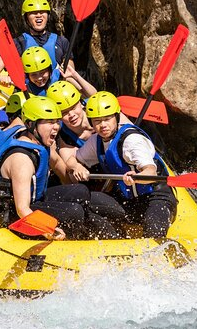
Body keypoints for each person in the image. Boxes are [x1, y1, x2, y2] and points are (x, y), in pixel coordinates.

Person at [0, 96, 120, 240]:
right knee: (74, 212)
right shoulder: (21, 160)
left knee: (81, 191)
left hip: (36, 199)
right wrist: (48, 231)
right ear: (31, 124)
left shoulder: (37, 141)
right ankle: (78, 242)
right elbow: (22, 209)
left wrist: (72, 190)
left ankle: (106, 233)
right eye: (49, 122)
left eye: (56, 122)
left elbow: (57, 163)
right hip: (15, 215)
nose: (56, 127)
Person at [65, 91, 178, 238]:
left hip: (156, 197)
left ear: (116, 117)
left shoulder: (132, 141)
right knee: (83, 199)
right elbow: (71, 161)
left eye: (107, 119)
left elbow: (150, 171)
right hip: (130, 201)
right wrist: (77, 166)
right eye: (97, 121)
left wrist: (137, 177)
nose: (103, 125)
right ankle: (113, 237)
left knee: (154, 234)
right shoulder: (96, 141)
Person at [0, 0, 74, 82]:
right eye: (33, 13)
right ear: (26, 19)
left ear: (48, 16)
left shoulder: (61, 41)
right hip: (27, 94)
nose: (38, 15)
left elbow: (71, 73)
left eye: (42, 12)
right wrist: (2, 79)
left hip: (55, 92)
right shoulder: (17, 43)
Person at [19, 46, 93, 96]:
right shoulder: (26, 88)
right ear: (28, 75)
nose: (39, 78)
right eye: (33, 74)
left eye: (42, 72)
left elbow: (93, 95)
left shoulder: (62, 78)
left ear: (49, 70)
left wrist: (75, 75)